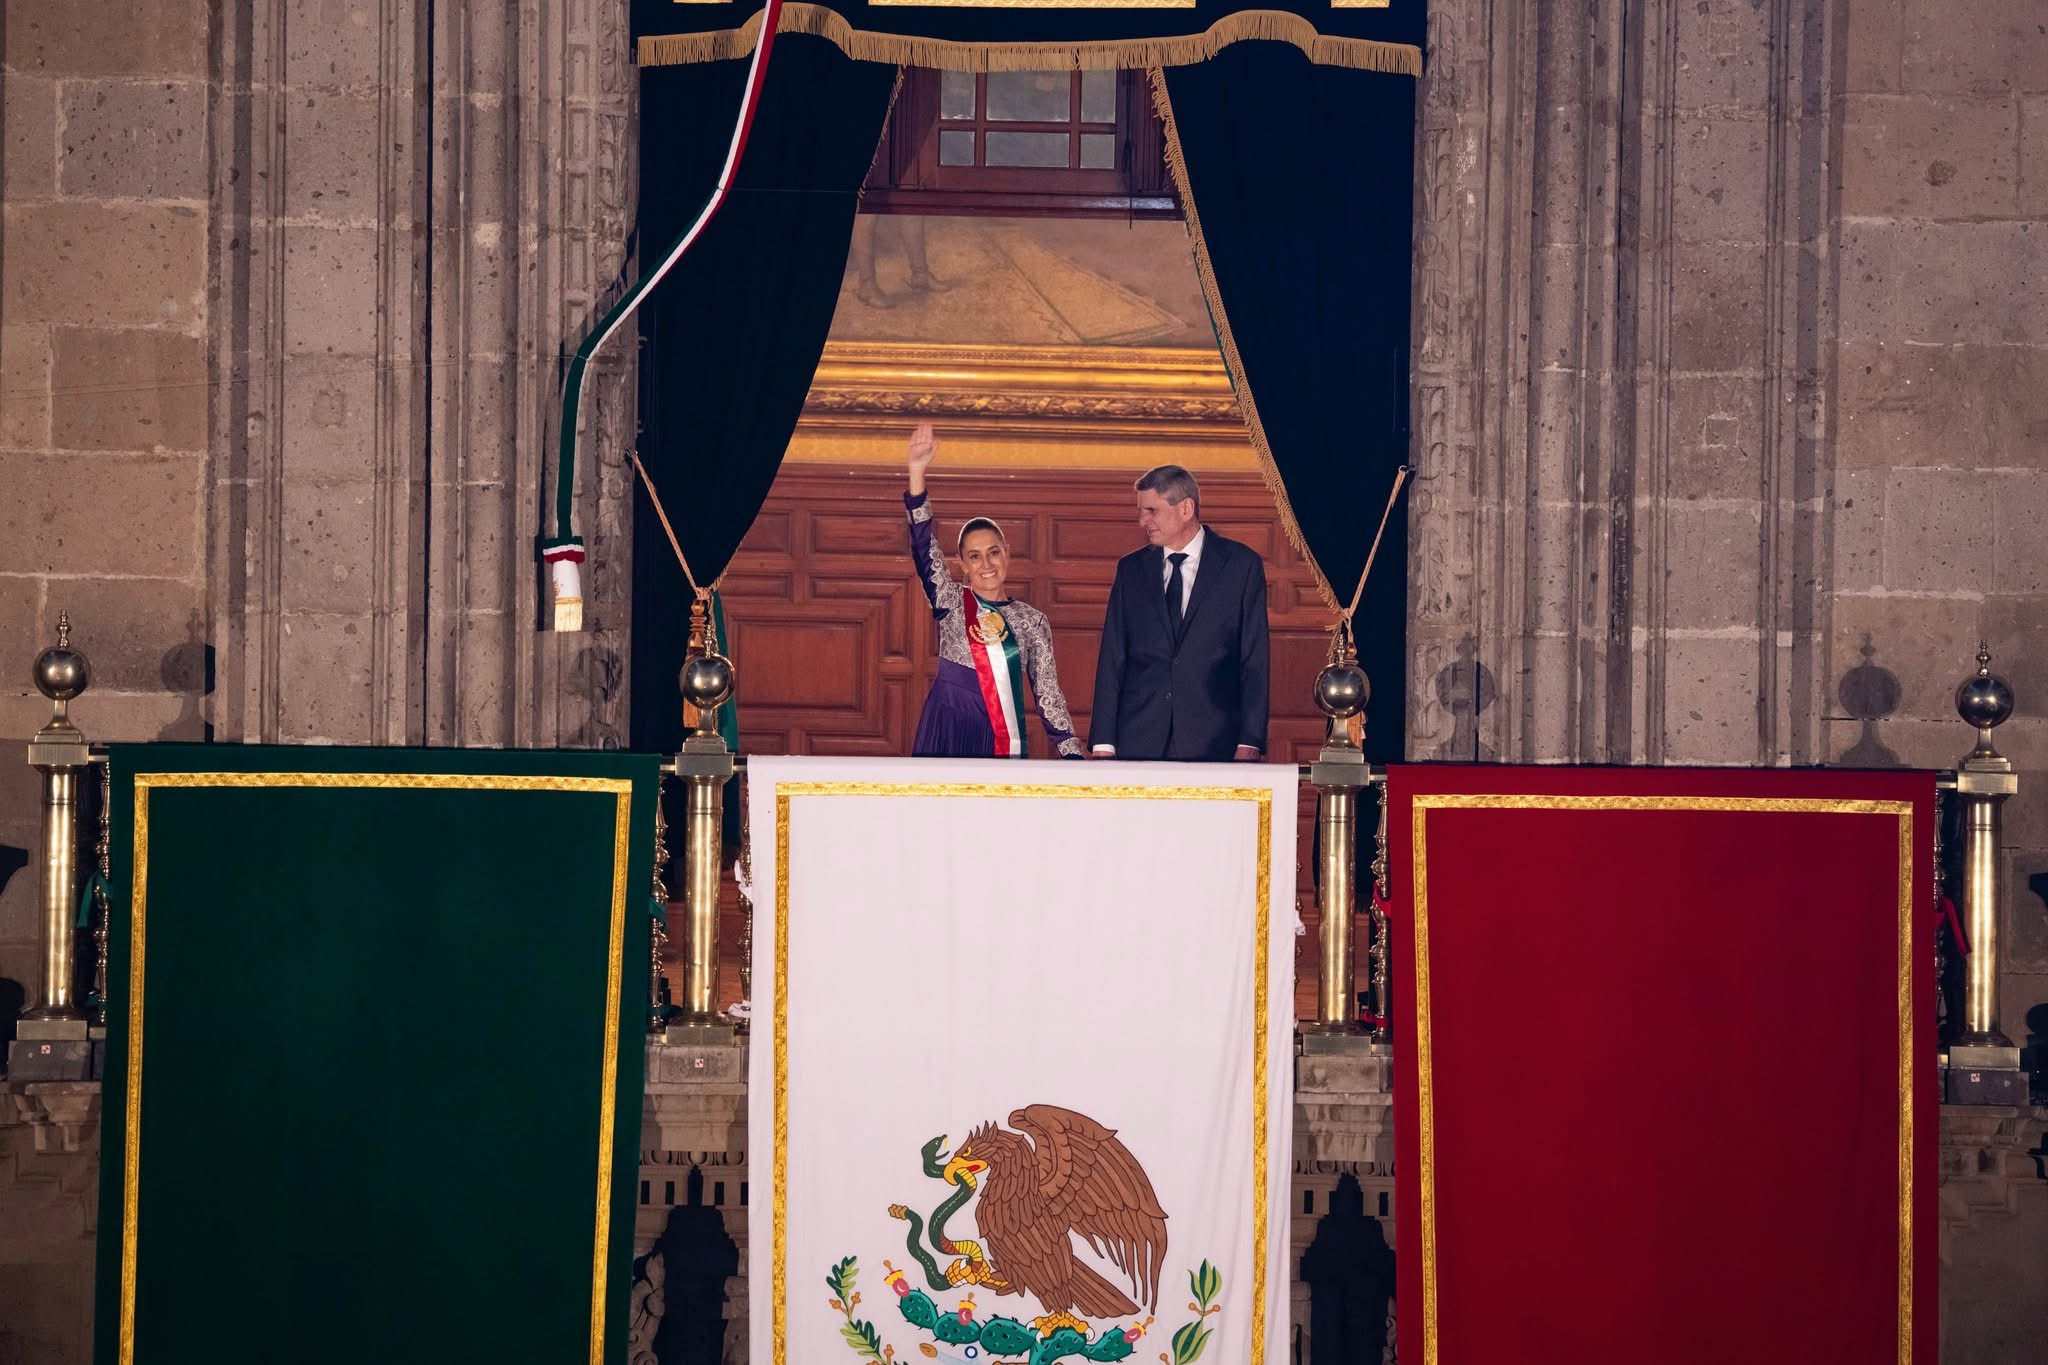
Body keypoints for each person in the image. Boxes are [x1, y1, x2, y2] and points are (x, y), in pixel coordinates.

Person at [903, 423, 1084, 758]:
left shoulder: (1033, 621)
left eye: (993, 552)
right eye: (974, 556)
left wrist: (1071, 752)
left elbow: (1048, 694)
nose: (986, 563)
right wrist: (917, 472)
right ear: (962, 565)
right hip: (947, 729)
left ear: (1007, 553)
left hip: (1000, 737)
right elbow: (923, 546)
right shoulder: (952, 601)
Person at [1090, 464, 1270, 762]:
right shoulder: (1130, 570)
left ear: (1186, 508)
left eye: (1152, 511)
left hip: (1215, 742)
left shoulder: (1241, 565)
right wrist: (1103, 743)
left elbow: (1254, 660)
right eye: (1141, 511)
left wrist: (1250, 740)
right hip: (1139, 741)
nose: (1142, 521)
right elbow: (1113, 656)